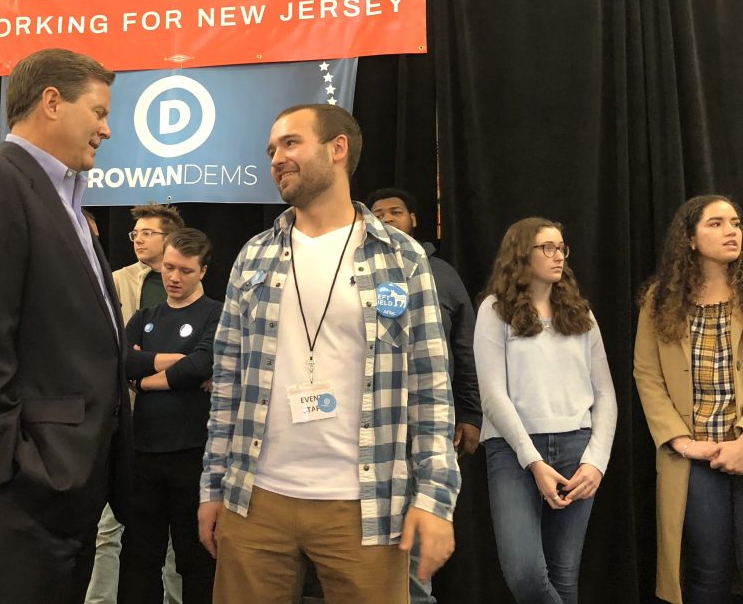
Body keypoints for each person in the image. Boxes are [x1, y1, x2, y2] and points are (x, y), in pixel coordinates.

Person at [198, 103, 460, 603]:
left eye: (291, 143)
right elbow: (226, 384)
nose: (277, 157)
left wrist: (435, 497)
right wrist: (213, 489)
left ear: (338, 149)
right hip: (255, 497)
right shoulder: (254, 254)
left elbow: (430, 387)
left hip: (364, 504)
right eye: (272, 149)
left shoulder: (400, 257)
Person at [0, 48, 132, 604]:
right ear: (51, 102)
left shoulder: (66, 204)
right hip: (19, 491)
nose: (107, 129)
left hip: (68, 488)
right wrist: (12, 472)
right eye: (97, 112)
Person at [474, 217, 616, 604]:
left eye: (561, 248)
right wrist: (533, 462)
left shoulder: (580, 313)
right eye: (547, 248)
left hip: (577, 449)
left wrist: (596, 462)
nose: (559, 256)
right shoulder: (494, 310)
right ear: (521, 254)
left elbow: (605, 394)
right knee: (525, 575)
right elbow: (492, 396)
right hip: (513, 451)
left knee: (564, 575)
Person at [368, 186, 481, 604]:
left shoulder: (442, 274)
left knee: (415, 568)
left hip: (427, 429)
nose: (386, 220)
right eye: (377, 214)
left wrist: (470, 414)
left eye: (395, 212)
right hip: (367, 431)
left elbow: (465, 350)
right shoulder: (353, 269)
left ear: (414, 220)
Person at [634, 195, 743, 604]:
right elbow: (647, 375)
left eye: (735, 222)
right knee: (706, 569)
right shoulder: (660, 300)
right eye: (716, 224)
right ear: (690, 239)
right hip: (695, 457)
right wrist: (680, 441)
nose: (731, 231)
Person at [90, 202, 186, 604]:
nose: (138, 239)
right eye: (135, 233)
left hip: (170, 424)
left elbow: (199, 359)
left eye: (148, 232)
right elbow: (114, 352)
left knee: (172, 534)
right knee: (106, 527)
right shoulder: (115, 281)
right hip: (119, 420)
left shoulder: (188, 285)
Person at [119, 228, 220, 604]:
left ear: (203, 272)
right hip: (143, 452)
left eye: (186, 271)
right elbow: (123, 360)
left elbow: (202, 364)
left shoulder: (215, 313)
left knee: (195, 557)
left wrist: (143, 383)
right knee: (139, 557)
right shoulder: (146, 315)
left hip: (192, 453)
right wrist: (177, 364)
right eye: (169, 268)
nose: (175, 278)